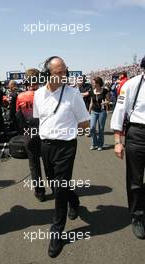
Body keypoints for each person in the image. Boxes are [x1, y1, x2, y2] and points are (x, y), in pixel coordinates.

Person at [33, 56, 90, 258]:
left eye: (65, 71)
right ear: (48, 74)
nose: (64, 75)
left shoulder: (73, 94)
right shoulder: (38, 95)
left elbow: (84, 123)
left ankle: (56, 231)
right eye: (59, 72)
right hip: (46, 146)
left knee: (59, 188)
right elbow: (41, 120)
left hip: (66, 147)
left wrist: (68, 132)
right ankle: (73, 201)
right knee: (57, 186)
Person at [110, 56, 145, 239]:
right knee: (136, 179)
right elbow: (119, 113)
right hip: (138, 134)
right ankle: (137, 216)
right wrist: (117, 142)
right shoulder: (131, 85)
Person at [16, 69, 46, 201]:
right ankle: (58, 190)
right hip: (46, 132)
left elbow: (18, 116)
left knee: (34, 164)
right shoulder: (47, 94)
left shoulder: (21, 96)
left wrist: (24, 131)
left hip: (30, 132)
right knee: (50, 163)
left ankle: (39, 192)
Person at [89, 77, 110, 151]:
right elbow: (91, 102)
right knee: (92, 128)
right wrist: (89, 111)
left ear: (98, 83)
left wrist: (105, 102)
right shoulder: (92, 91)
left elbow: (108, 100)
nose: (93, 84)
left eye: (94, 82)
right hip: (94, 111)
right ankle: (94, 143)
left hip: (102, 112)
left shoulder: (105, 91)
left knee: (101, 129)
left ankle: (100, 144)